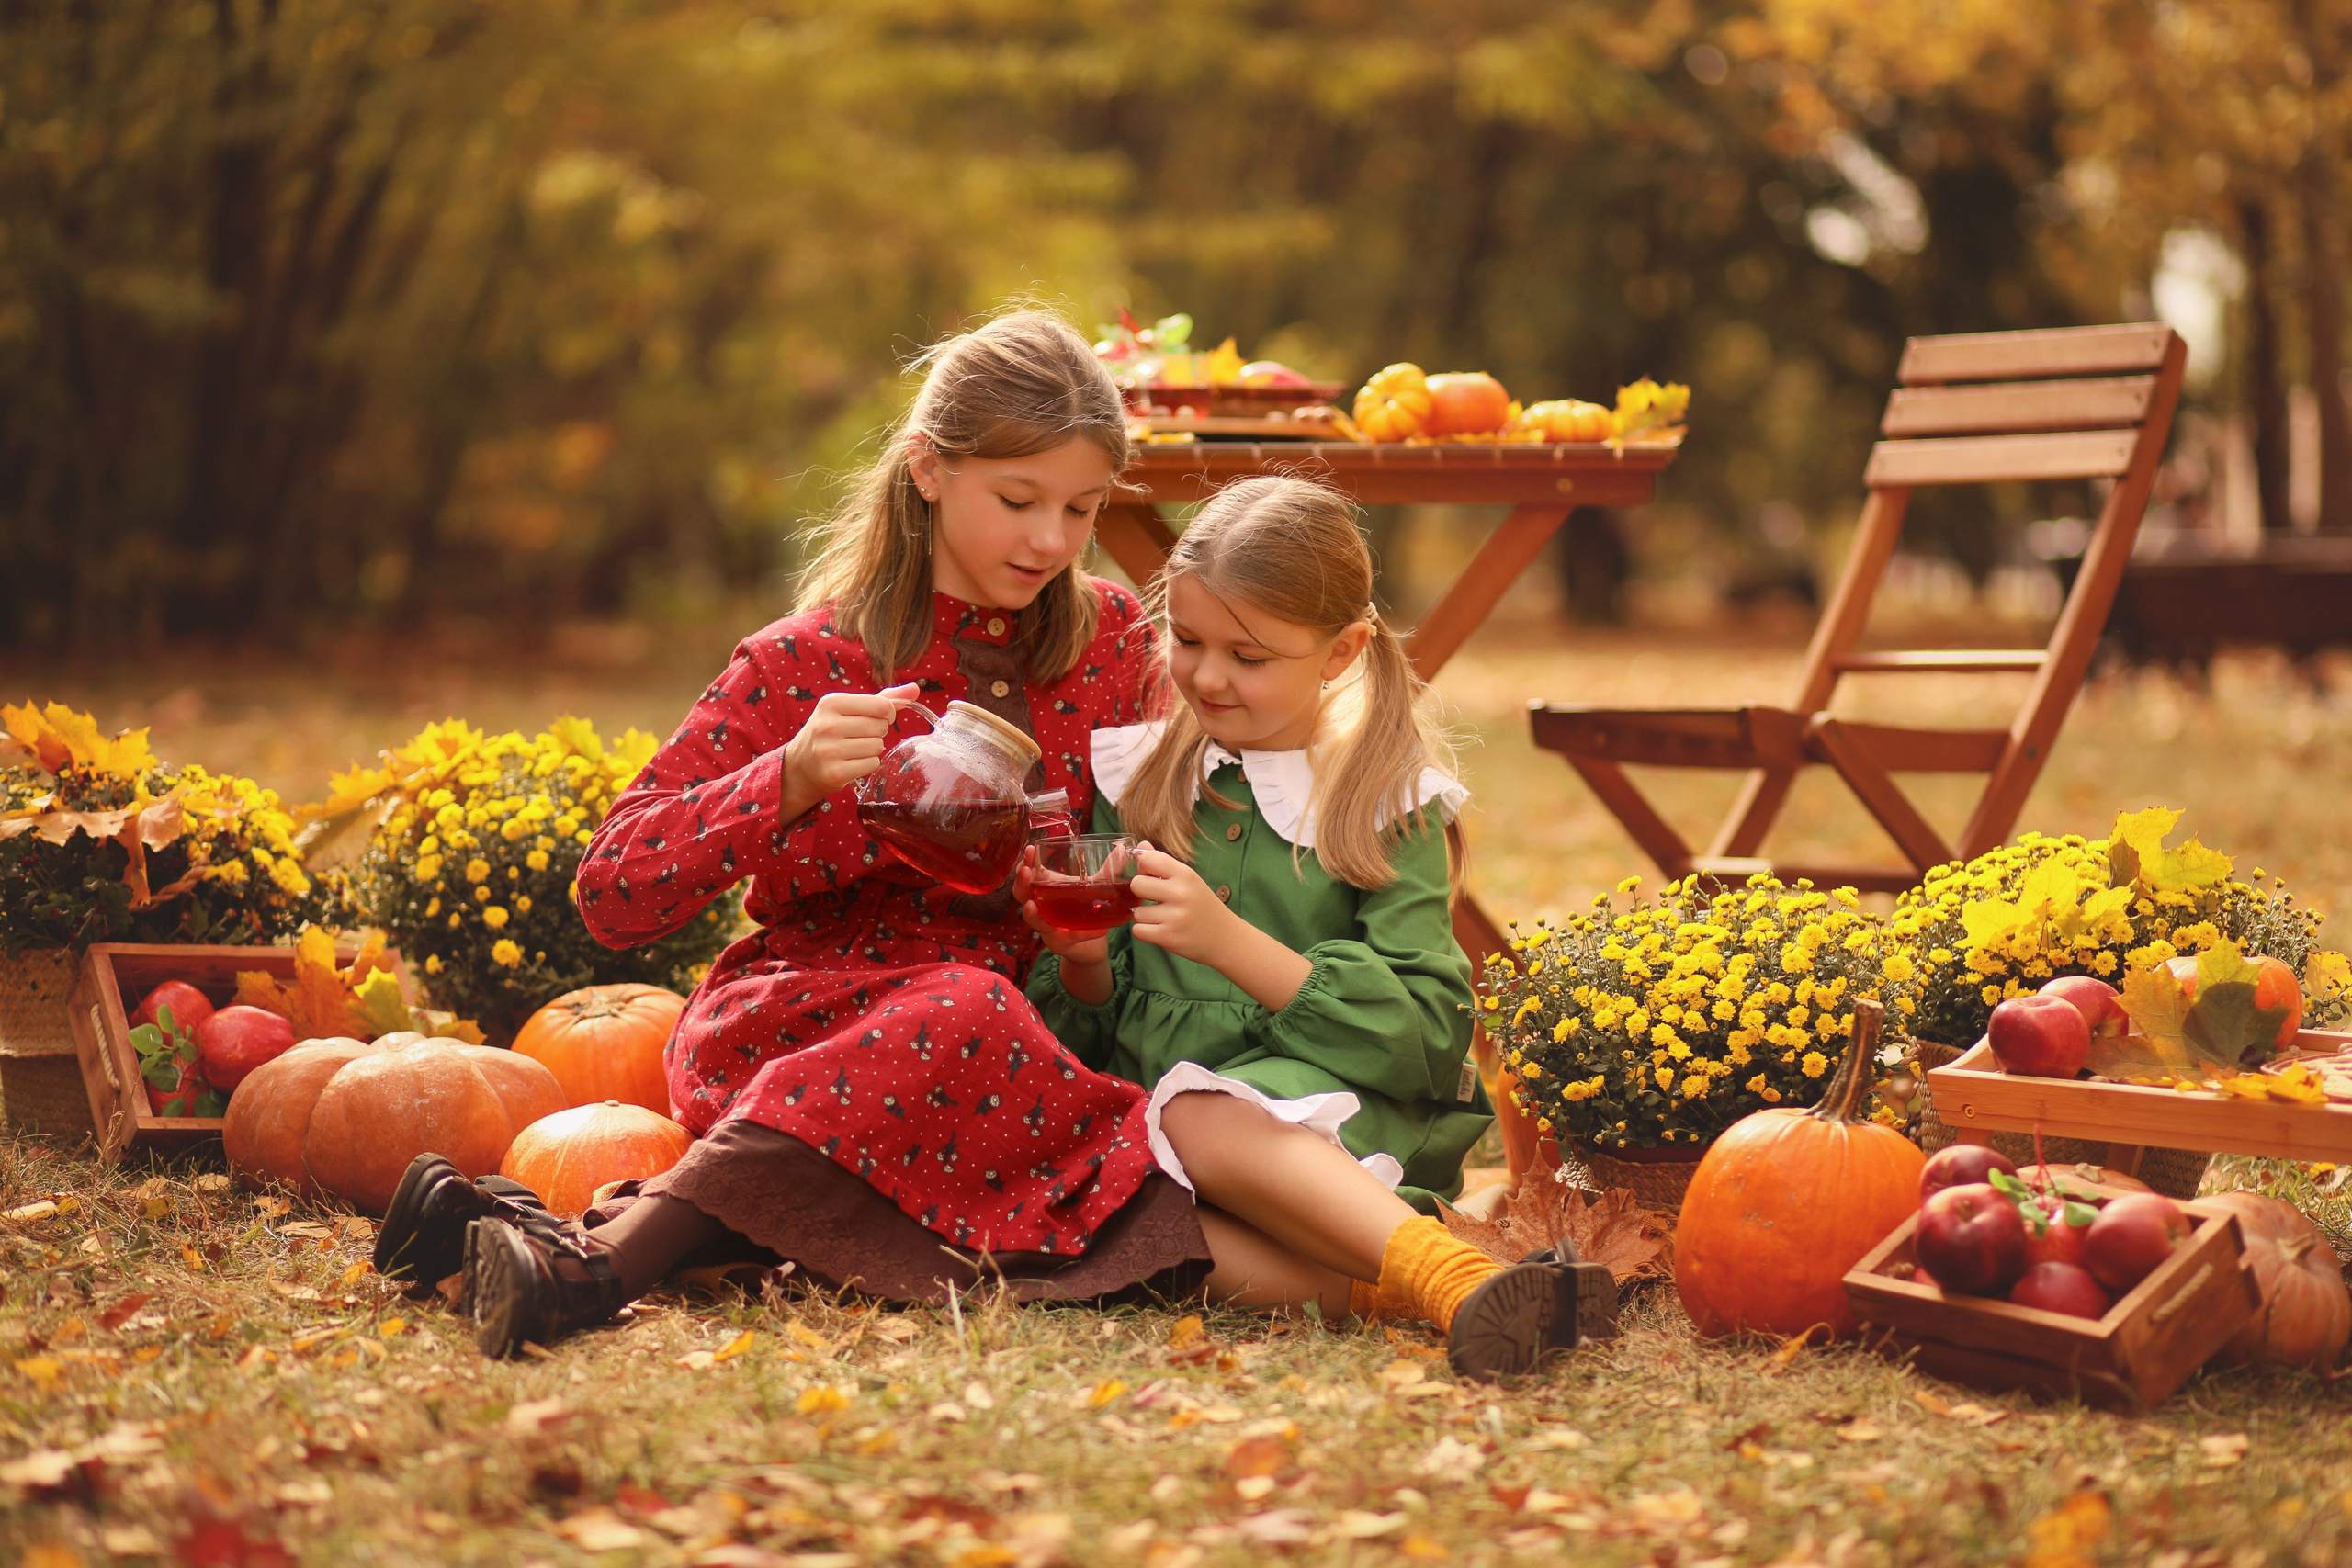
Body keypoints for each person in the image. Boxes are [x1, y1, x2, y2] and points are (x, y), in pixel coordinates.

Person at [373, 315, 1595, 1378]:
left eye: (1079, 507)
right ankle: (595, 1263)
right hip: (807, 1022)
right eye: (1019, 501)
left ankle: (508, 1226)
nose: (1052, 539)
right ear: (926, 470)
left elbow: (1225, 763)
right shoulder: (805, 661)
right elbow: (615, 890)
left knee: (1135, 1178)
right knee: (964, 1008)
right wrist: (785, 775)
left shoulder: (1112, 639)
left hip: (1027, 1044)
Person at [1020, 474, 1611, 1366]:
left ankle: (1440, 1274)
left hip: (1338, 1119)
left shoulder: (1383, 807)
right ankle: (1462, 1285)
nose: (1207, 676)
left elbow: (1426, 1031)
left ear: (1340, 653)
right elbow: (1092, 1031)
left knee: (1197, 1117)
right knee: (1129, 1231)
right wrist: (1084, 963)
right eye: (1187, 640)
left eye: (1249, 657)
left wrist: (1229, 945)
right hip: (1174, 1149)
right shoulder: (1139, 783)